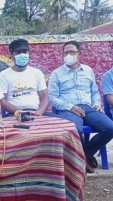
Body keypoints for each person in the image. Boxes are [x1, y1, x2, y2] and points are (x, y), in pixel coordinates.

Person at [48, 40, 113, 173]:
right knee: (75, 129)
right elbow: (53, 98)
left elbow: (94, 91)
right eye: (65, 52)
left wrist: (96, 104)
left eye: (72, 52)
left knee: (110, 128)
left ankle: (85, 155)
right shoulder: (57, 73)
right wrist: (70, 106)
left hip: (88, 108)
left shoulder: (88, 70)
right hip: (68, 108)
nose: (68, 55)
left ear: (80, 54)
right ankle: (82, 160)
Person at [0, 39, 52, 117]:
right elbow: (2, 101)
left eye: (24, 52)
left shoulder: (37, 73)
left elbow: (44, 97)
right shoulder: (4, 75)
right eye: (18, 52)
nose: (22, 55)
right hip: (14, 114)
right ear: (11, 54)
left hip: (36, 112)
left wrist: (40, 111)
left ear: (29, 53)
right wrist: (19, 112)